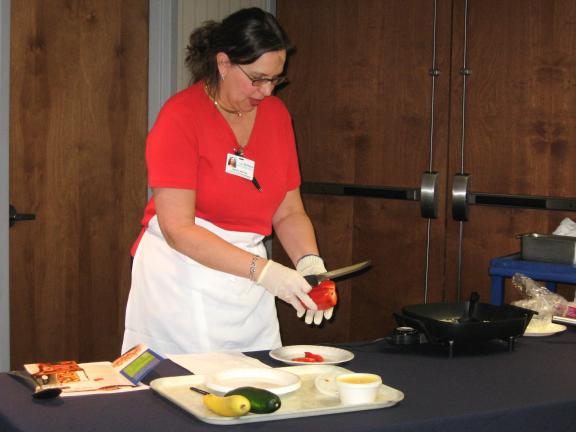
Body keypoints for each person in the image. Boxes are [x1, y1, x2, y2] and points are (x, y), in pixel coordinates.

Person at [122, 8, 334, 355]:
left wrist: (309, 262)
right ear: (223, 63)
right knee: (186, 389)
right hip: (181, 275)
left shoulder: (277, 116)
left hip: (247, 274)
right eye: (257, 78)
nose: (267, 91)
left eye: (276, 79)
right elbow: (178, 229)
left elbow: (289, 210)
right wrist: (265, 272)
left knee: (256, 380)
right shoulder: (181, 117)